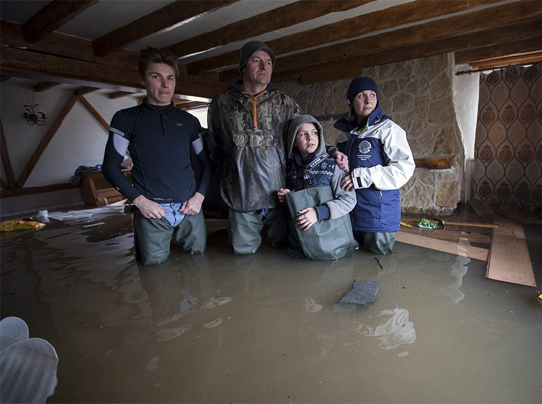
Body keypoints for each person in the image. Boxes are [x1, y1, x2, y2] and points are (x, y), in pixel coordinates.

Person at [102, 47, 211, 265]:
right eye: (156, 76)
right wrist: (140, 202)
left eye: (170, 78)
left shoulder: (189, 122)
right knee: (154, 273)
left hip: (190, 208)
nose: (165, 84)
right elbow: (110, 167)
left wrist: (199, 196)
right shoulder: (126, 119)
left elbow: (207, 164)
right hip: (152, 211)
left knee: (199, 267)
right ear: (142, 79)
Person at [206, 40, 302, 255]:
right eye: (256, 60)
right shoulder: (221, 104)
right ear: (242, 67)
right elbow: (214, 149)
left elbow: (305, 140)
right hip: (240, 197)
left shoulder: (286, 103)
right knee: (244, 261)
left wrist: (333, 152)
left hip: (279, 197)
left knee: (285, 256)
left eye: (268, 62)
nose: (263, 66)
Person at [334, 76, 415, 254]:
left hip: (378, 216)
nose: (368, 99)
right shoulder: (347, 134)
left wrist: (363, 176)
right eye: (361, 95)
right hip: (352, 211)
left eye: (372, 94)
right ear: (351, 102)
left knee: (379, 267)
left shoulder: (388, 129)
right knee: (356, 265)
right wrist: (338, 158)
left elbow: (404, 168)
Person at [278, 115, 358, 259]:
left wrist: (318, 213)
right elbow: (301, 197)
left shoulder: (334, 165)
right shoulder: (291, 168)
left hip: (334, 245)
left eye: (314, 132)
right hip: (301, 246)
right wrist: (289, 196)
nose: (310, 138)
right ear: (294, 142)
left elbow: (349, 200)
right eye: (303, 134)